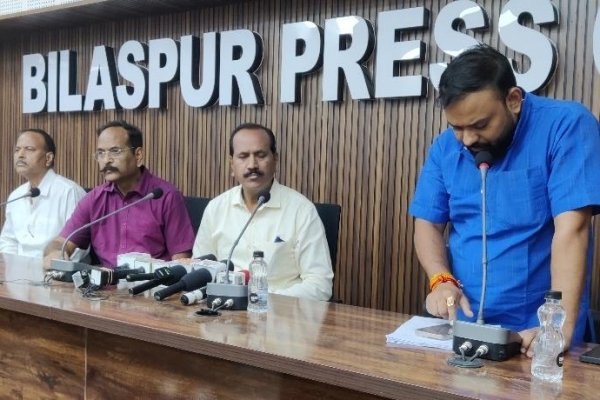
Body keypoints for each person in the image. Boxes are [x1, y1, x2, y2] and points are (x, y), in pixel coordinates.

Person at [409, 44, 600, 356]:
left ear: (513, 99)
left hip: (536, 333)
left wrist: (557, 329)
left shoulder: (566, 125)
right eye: (457, 128)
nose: (468, 140)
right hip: (464, 327)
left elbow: (573, 230)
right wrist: (440, 279)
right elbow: (427, 222)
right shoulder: (445, 147)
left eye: (480, 125)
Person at [192, 123, 333, 301]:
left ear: (275, 160)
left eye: (260, 155)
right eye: (243, 156)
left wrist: (263, 301)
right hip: (223, 310)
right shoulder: (216, 208)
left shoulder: (301, 210)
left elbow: (320, 285)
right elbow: (200, 271)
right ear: (232, 165)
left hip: (281, 313)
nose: (252, 165)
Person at [44, 120, 195, 268]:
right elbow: (61, 242)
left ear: (138, 155)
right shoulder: (94, 199)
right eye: (100, 153)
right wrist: (55, 252)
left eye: (115, 151)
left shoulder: (166, 196)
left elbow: (181, 262)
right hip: (105, 282)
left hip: (151, 282)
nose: (106, 160)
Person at [0, 129, 86, 258]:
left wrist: (56, 264)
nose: (20, 155)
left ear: (48, 158)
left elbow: (79, 244)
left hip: (55, 268)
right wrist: (11, 265)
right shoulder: (16, 195)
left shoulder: (68, 191)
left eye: (29, 149)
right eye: (17, 150)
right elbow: (8, 241)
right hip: (19, 269)